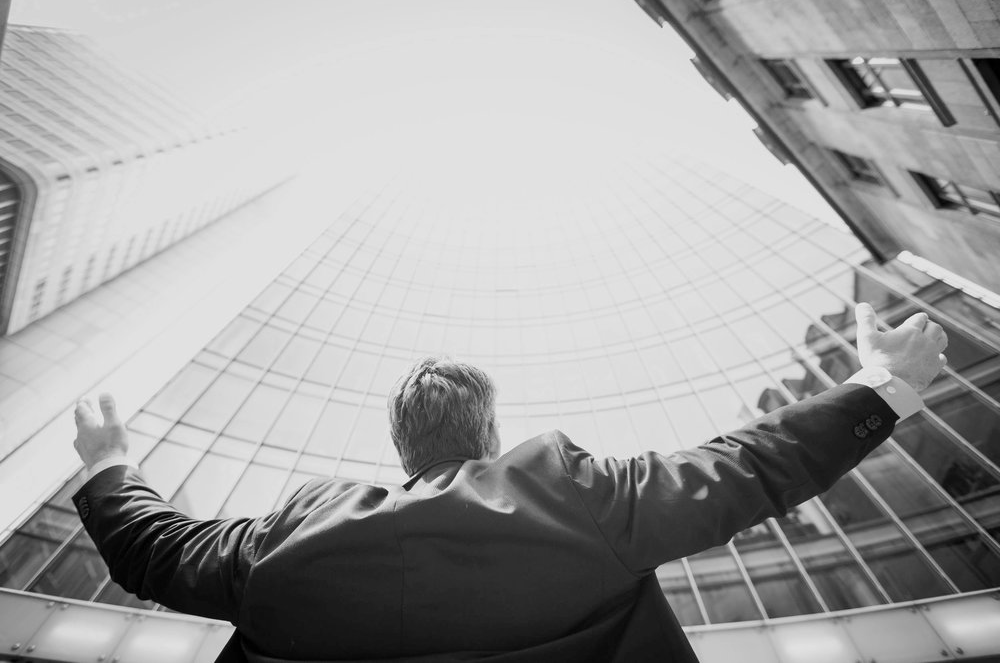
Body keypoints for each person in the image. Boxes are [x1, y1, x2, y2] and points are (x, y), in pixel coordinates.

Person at [71, 303, 947, 662]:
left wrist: (112, 460)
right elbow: (745, 467)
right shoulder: (567, 489)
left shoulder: (285, 538)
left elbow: (154, 551)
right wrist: (880, 387)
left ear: (402, 448)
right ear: (487, 439)